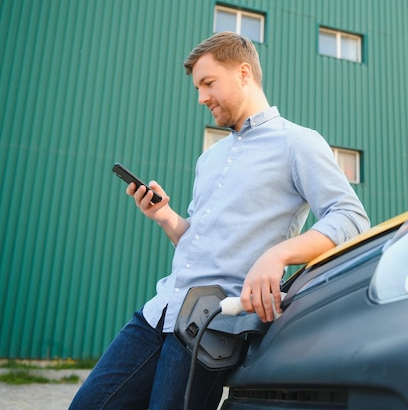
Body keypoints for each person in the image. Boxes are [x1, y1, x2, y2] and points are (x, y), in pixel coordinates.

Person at [69, 31, 370, 410]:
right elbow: (198, 241)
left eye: (208, 83)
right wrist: (164, 217)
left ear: (244, 73)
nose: (201, 97)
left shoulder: (298, 143)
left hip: (210, 323)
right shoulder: (209, 158)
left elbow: (352, 218)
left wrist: (276, 255)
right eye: (198, 87)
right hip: (160, 310)